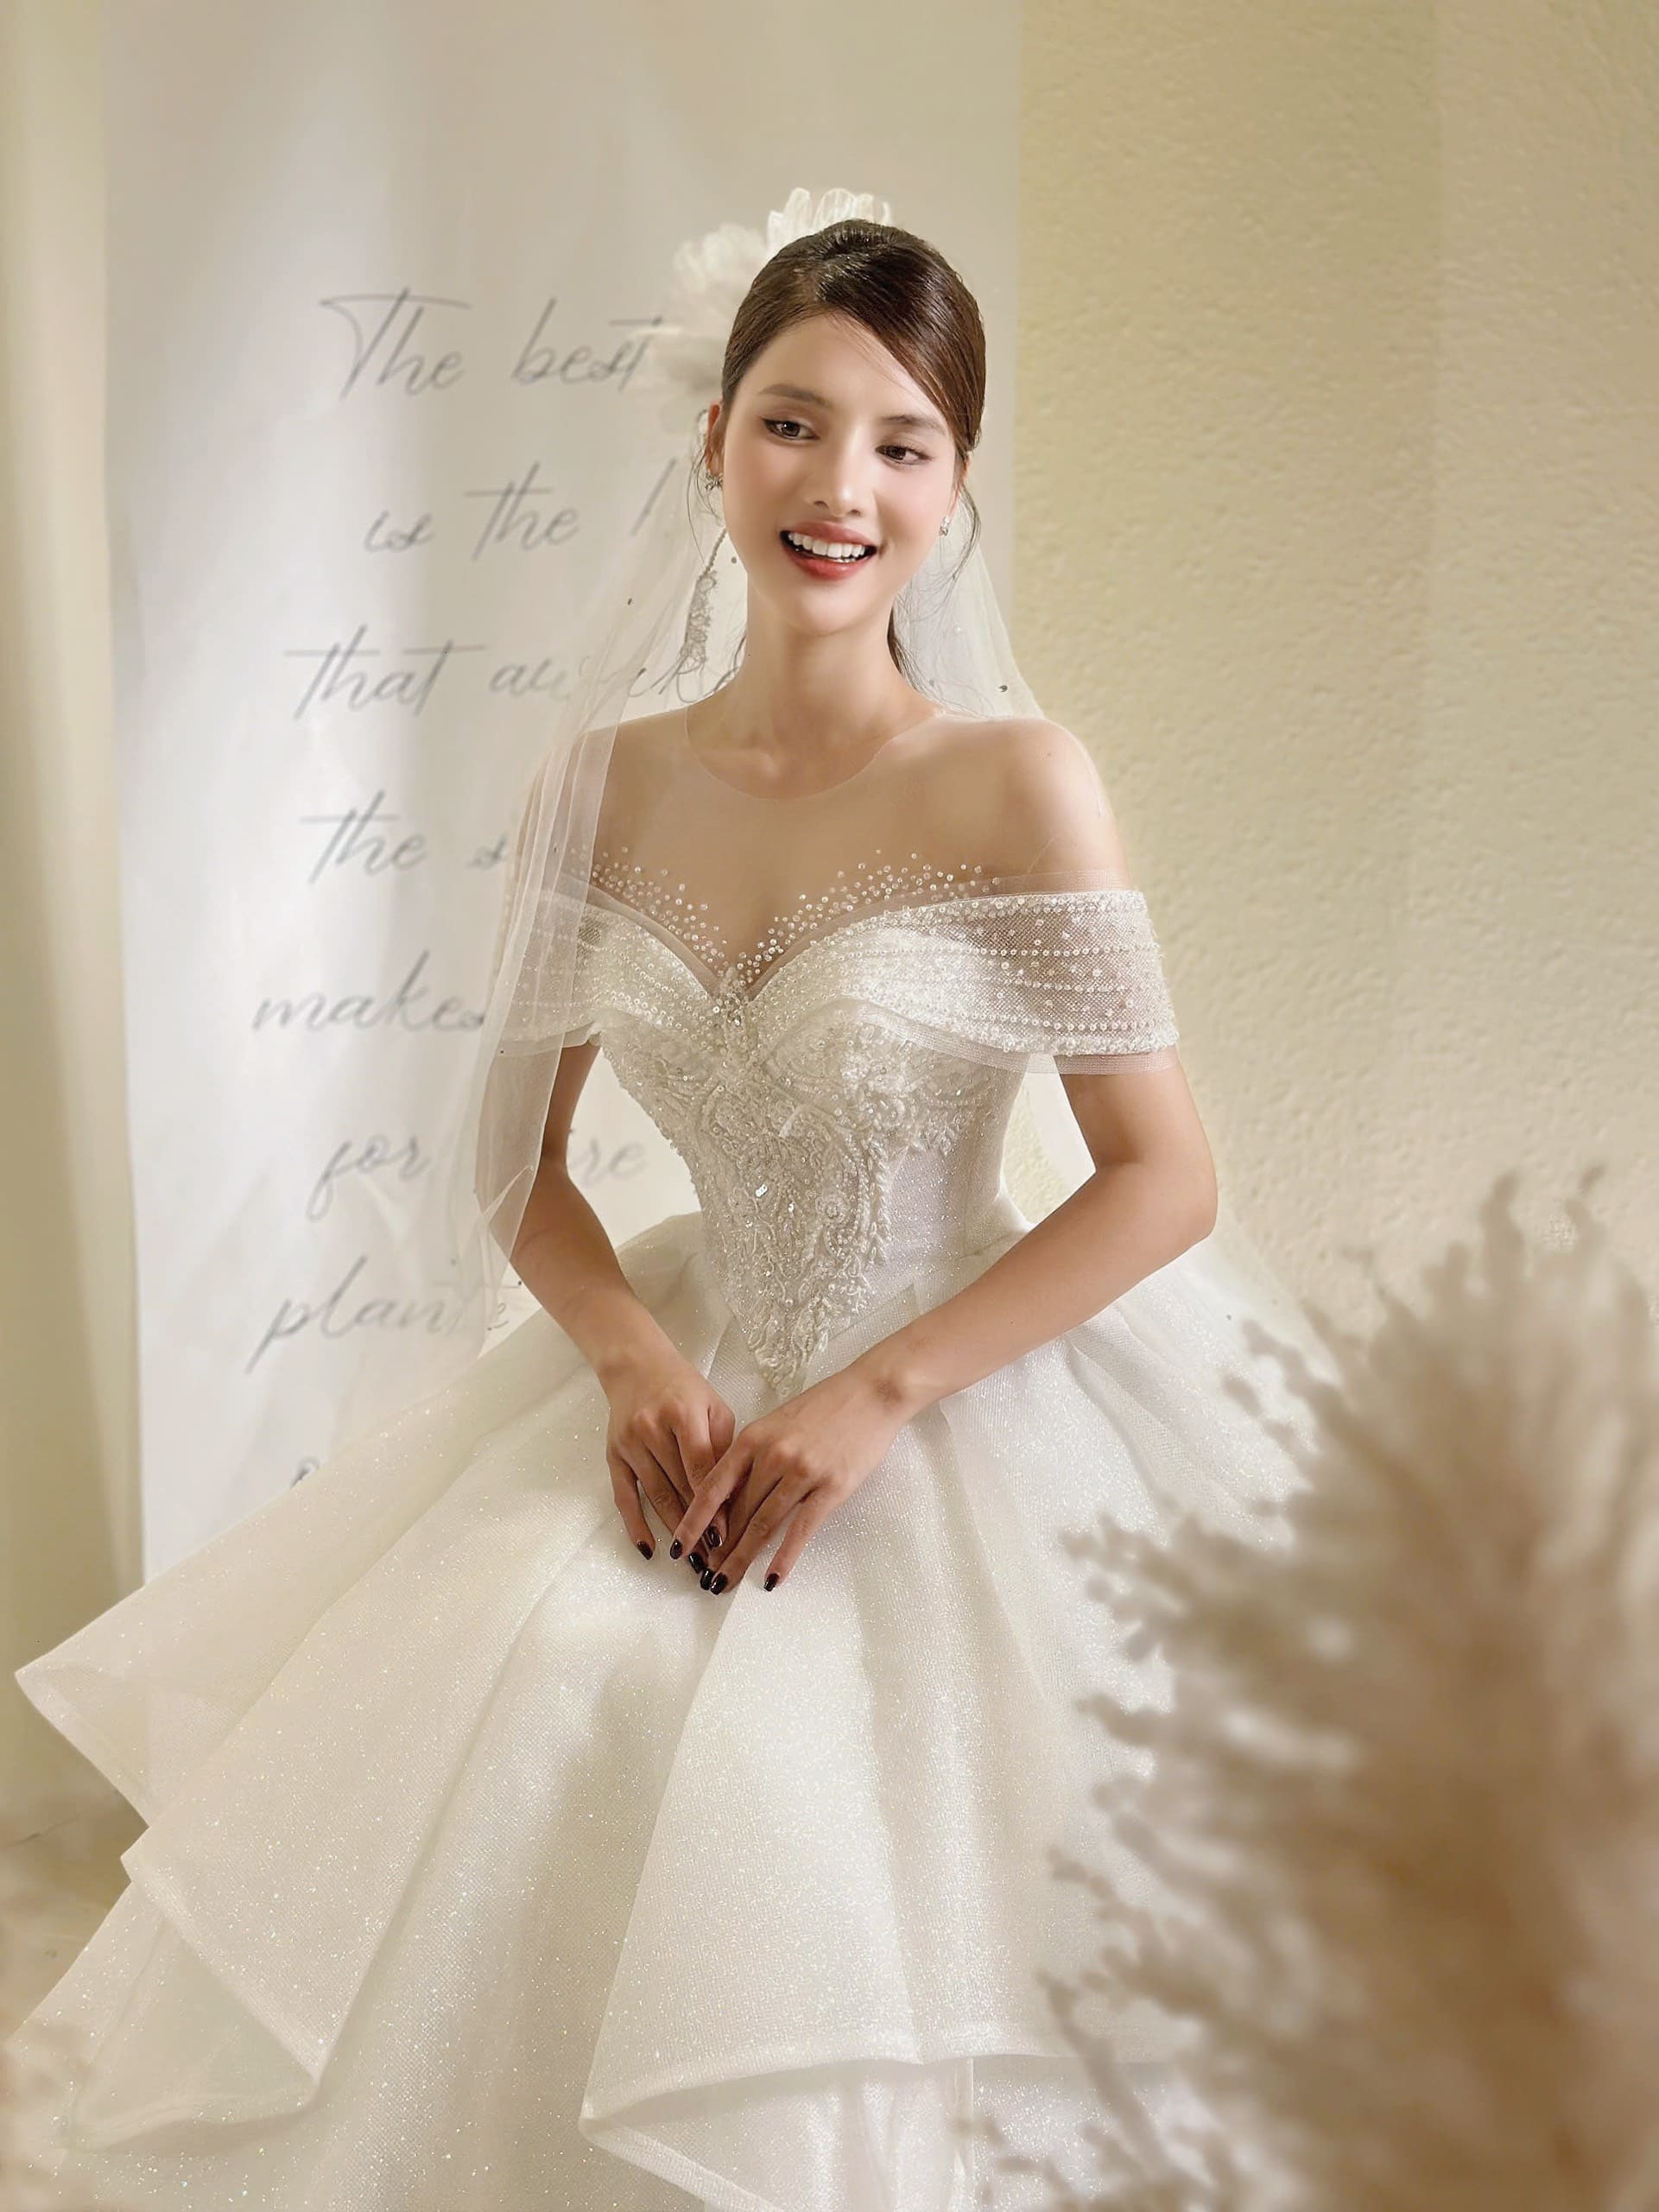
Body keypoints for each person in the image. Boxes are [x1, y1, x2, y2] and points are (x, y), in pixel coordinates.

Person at [6, 187, 1315, 2209]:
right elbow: (511, 1167)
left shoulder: (1018, 785)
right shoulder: (599, 789)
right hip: (682, 1404)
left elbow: (1166, 1180)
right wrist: (626, 1358)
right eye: (793, 423)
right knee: (538, 1721)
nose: (840, 487)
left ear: (955, 492)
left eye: (901, 444)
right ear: (712, 442)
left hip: (950, 1409)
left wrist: (879, 1394)